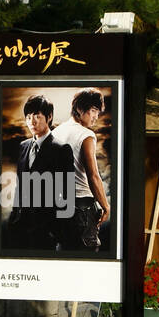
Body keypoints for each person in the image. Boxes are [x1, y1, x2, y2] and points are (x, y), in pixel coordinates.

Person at [6, 94, 76, 251]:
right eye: (29, 116)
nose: (32, 121)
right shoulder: (23, 147)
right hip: (21, 228)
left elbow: (67, 195)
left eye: (37, 115)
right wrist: (14, 219)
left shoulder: (61, 149)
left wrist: (59, 233)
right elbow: (20, 186)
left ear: (49, 117)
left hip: (47, 229)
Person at [51, 88, 111, 251]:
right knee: (87, 255)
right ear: (79, 109)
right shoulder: (86, 135)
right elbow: (93, 175)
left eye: (97, 112)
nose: (96, 117)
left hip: (60, 204)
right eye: (93, 111)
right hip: (82, 205)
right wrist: (105, 205)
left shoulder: (56, 132)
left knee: (64, 253)